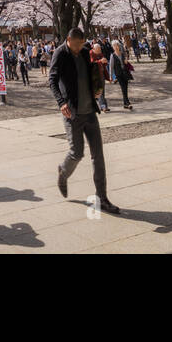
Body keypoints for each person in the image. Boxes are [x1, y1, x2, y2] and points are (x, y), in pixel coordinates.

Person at [48, 27, 119, 214]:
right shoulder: (60, 54)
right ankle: (63, 171)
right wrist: (61, 102)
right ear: (69, 40)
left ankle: (102, 198)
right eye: (77, 44)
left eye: (82, 44)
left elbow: (93, 72)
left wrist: (98, 83)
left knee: (98, 156)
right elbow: (52, 80)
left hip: (90, 111)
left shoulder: (86, 52)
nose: (80, 48)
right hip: (72, 112)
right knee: (76, 153)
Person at [109, 39, 134, 110]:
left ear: (119, 46)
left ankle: (125, 104)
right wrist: (111, 77)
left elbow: (125, 62)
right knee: (123, 88)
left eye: (117, 45)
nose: (116, 47)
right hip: (119, 74)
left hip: (125, 73)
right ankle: (128, 103)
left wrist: (126, 62)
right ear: (113, 47)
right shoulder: (112, 56)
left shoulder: (122, 54)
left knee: (125, 88)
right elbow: (111, 67)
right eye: (114, 46)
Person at [89, 43, 111, 113]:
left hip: (102, 75)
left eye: (100, 49)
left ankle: (103, 106)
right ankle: (103, 106)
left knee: (102, 92)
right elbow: (92, 64)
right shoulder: (91, 53)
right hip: (95, 76)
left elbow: (104, 64)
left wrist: (104, 62)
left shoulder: (100, 54)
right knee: (99, 92)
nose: (100, 50)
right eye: (98, 49)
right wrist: (100, 61)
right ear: (94, 49)